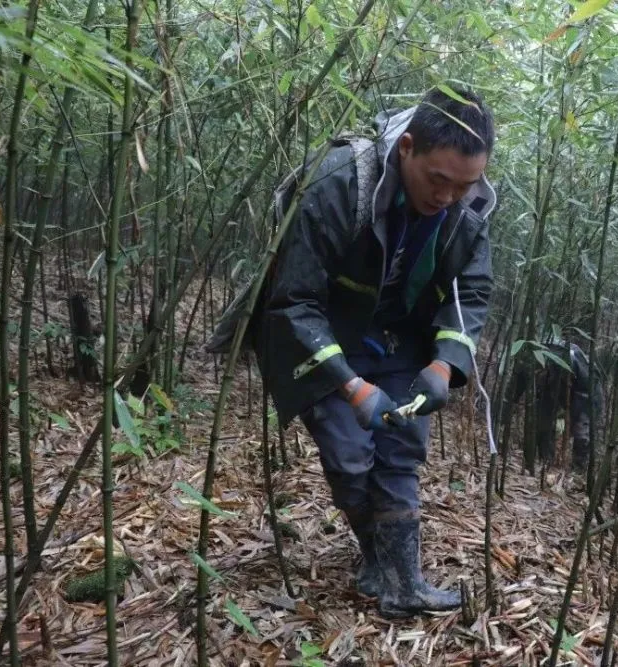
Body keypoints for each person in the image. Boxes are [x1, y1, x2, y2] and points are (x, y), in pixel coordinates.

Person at [207, 87, 496, 618]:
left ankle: (401, 581)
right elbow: (292, 301)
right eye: (439, 180)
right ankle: (377, 558)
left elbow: (470, 293)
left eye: (465, 183)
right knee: (349, 454)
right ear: (406, 147)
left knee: (402, 450)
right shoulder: (337, 183)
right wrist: (352, 385)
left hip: (400, 335)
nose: (449, 196)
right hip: (320, 332)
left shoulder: (470, 206)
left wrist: (442, 364)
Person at [511, 340, 603, 472]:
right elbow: (513, 392)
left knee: (581, 433)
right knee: (543, 423)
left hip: (585, 393)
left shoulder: (579, 371)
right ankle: (546, 462)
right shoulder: (528, 360)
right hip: (553, 386)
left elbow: (583, 415)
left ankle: (578, 471)